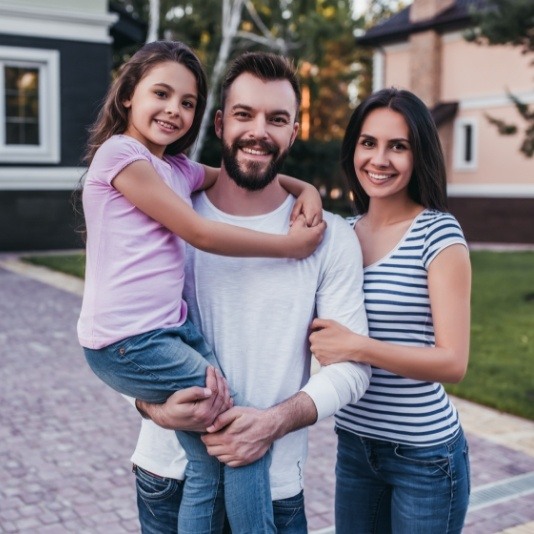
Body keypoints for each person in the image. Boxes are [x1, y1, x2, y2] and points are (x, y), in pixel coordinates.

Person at [77, 40, 328, 534]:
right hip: (131, 341)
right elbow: (200, 233)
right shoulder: (120, 156)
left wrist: (308, 189)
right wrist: (289, 247)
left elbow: (237, 177)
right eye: (162, 94)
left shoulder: (175, 169)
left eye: (187, 102)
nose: (174, 110)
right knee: (237, 434)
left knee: (212, 454)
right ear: (128, 94)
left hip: (167, 334)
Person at [131, 51, 372, 533]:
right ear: (220, 122)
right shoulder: (168, 214)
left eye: (277, 118)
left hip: (274, 483)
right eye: (244, 114)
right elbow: (124, 336)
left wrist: (273, 422)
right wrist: (152, 406)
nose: (259, 131)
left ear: (293, 132)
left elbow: (351, 370)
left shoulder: (329, 237)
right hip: (169, 478)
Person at [309, 87, 472, 533]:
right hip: (355, 444)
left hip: (424, 455)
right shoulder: (339, 234)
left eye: (397, 146)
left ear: (418, 155)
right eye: (368, 142)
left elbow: (453, 362)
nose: (379, 159)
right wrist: (301, 188)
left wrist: (358, 347)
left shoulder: (436, 234)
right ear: (353, 148)